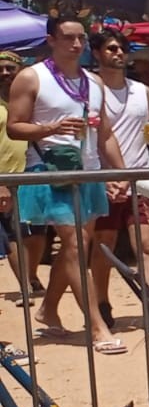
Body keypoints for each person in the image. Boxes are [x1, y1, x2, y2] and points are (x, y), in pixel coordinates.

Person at [6, 18, 128, 353]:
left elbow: (104, 134)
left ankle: (48, 310)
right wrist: (51, 128)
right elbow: (15, 127)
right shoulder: (32, 76)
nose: (76, 44)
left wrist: (120, 173)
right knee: (74, 245)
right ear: (51, 40)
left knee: (80, 246)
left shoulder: (93, 81)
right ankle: (97, 326)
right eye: (68, 38)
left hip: (86, 171)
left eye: (81, 38)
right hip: (51, 171)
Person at [88, 31, 149, 330]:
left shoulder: (142, 91)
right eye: (111, 48)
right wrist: (106, 175)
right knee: (104, 242)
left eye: (123, 48)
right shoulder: (90, 89)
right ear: (97, 53)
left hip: (140, 174)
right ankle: (102, 301)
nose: (119, 53)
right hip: (104, 178)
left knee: (147, 244)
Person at [0, 51, 45, 298]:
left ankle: (31, 275)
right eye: (1, 69)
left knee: (37, 232)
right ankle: (25, 285)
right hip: (4, 177)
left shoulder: (33, 100)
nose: (5, 73)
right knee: (13, 233)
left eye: (10, 68)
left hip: (33, 173)